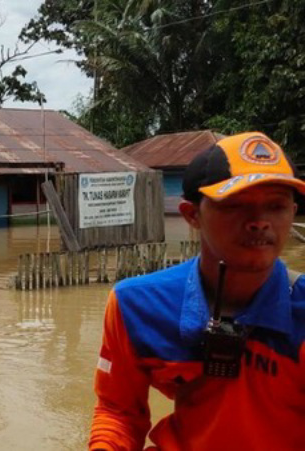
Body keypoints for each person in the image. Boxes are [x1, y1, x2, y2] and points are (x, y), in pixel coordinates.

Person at [89, 132, 305, 450]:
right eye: (236, 205)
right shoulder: (135, 306)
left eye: (276, 206)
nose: (260, 222)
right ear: (192, 215)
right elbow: (118, 412)